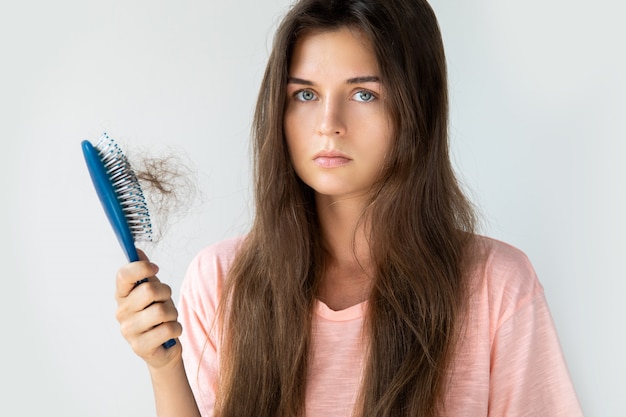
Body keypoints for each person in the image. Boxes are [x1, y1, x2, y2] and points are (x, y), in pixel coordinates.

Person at [114, 0, 584, 416]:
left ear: (416, 108)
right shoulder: (220, 280)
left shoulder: (496, 286)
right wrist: (165, 366)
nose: (328, 124)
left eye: (364, 94)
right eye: (305, 94)